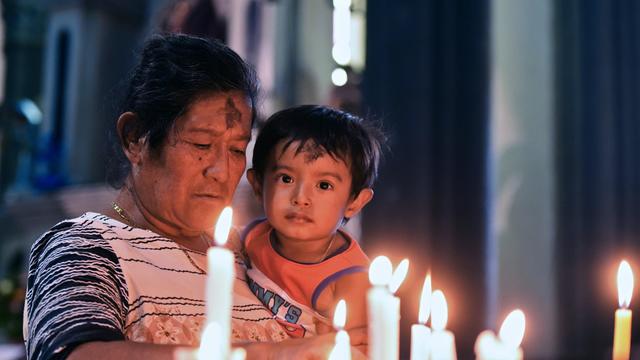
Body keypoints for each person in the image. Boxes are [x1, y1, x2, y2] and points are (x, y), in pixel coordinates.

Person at [24, 34, 365, 360]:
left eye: (236, 149)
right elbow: (73, 354)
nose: (221, 170)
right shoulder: (87, 246)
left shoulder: (248, 252)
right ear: (135, 138)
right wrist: (260, 355)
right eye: (202, 144)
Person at [244, 105, 385, 338]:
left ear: (355, 201)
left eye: (324, 185)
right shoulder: (251, 237)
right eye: (286, 178)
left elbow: (360, 350)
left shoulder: (350, 280)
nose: (300, 198)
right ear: (258, 185)